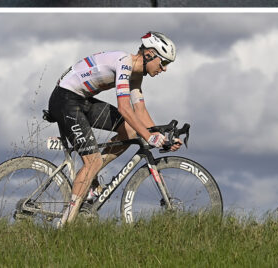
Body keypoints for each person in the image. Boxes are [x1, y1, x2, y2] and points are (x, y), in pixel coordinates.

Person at [46, 31, 182, 225]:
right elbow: (125, 108)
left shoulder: (136, 75)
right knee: (92, 162)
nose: (165, 69)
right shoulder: (124, 63)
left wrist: (160, 136)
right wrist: (150, 137)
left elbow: (140, 110)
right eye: (164, 63)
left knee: (130, 131)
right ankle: (65, 224)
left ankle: (90, 178)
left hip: (80, 100)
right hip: (64, 99)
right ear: (150, 54)